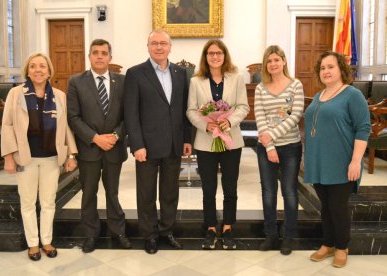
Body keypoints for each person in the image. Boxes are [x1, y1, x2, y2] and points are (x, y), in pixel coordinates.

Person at [1, 52, 78, 261]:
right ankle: (32, 244)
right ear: (27, 70)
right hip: (25, 157)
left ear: (49, 71)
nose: (38, 70)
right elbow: (7, 125)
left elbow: (66, 128)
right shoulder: (16, 94)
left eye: (42, 66)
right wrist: (8, 156)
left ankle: (46, 241)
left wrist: (71, 154)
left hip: (52, 158)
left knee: (48, 202)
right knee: (27, 202)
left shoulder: (60, 95)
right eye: (33, 66)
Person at [124, 30, 192, 254]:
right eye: (155, 43)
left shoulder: (181, 73)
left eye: (163, 43)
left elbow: (184, 109)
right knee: (146, 193)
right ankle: (150, 234)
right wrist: (136, 145)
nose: (159, 47)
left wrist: (186, 139)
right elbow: (131, 113)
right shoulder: (135, 73)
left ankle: (166, 230)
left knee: (170, 192)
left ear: (170, 47)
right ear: (148, 46)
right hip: (147, 146)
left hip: (173, 144)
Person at [304, 51, 370, 267]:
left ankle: (342, 247)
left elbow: (363, 129)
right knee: (326, 206)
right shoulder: (318, 96)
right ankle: (328, 243)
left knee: (338, 207)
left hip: (342, 162)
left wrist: (355, 161)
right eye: (322, 68)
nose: (326, 71)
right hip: (320, 162)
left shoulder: (352, 94)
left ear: (341, 69)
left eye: (330, 66)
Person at [67, 39, 131, 253]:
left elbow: (129, 116)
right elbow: (73, 117)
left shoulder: (122, 81)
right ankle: (90, 234)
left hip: (114, 147)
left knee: (112, 193)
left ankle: (118, 231)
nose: (100, 56)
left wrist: (115, 135)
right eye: (95, 52)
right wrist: (95, 138)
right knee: (88, 193)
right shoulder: (76, 82)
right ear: (89, 57)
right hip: (89, 149)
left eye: (104, 52)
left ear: (110, 57)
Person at [186, 39, 249, 250]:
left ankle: (229, 226)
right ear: (205, 57)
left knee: (230, 187)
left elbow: (243, 106)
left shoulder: (237, 78)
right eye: (211, 53)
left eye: (219, 53)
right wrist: (207, 125)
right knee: (208, 188)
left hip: (231, 141)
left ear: (224, 55)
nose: (215, 57)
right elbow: (191, 111)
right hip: (206, 142)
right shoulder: (196, 81)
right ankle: (211, 227)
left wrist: (228, 121)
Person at [254, 45, 304, 255]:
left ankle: (289, 236)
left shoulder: (295, 85)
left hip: (291, 146)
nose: (273, 64)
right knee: (268, 193)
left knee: (289, 192)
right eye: (269, 60)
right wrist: (270, 146)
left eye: (276, 59)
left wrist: (271, 136)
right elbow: (260, 117)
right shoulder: (260, 88)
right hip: (266, 149)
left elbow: (295, 115)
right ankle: (271, 235)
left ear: (283, 61)